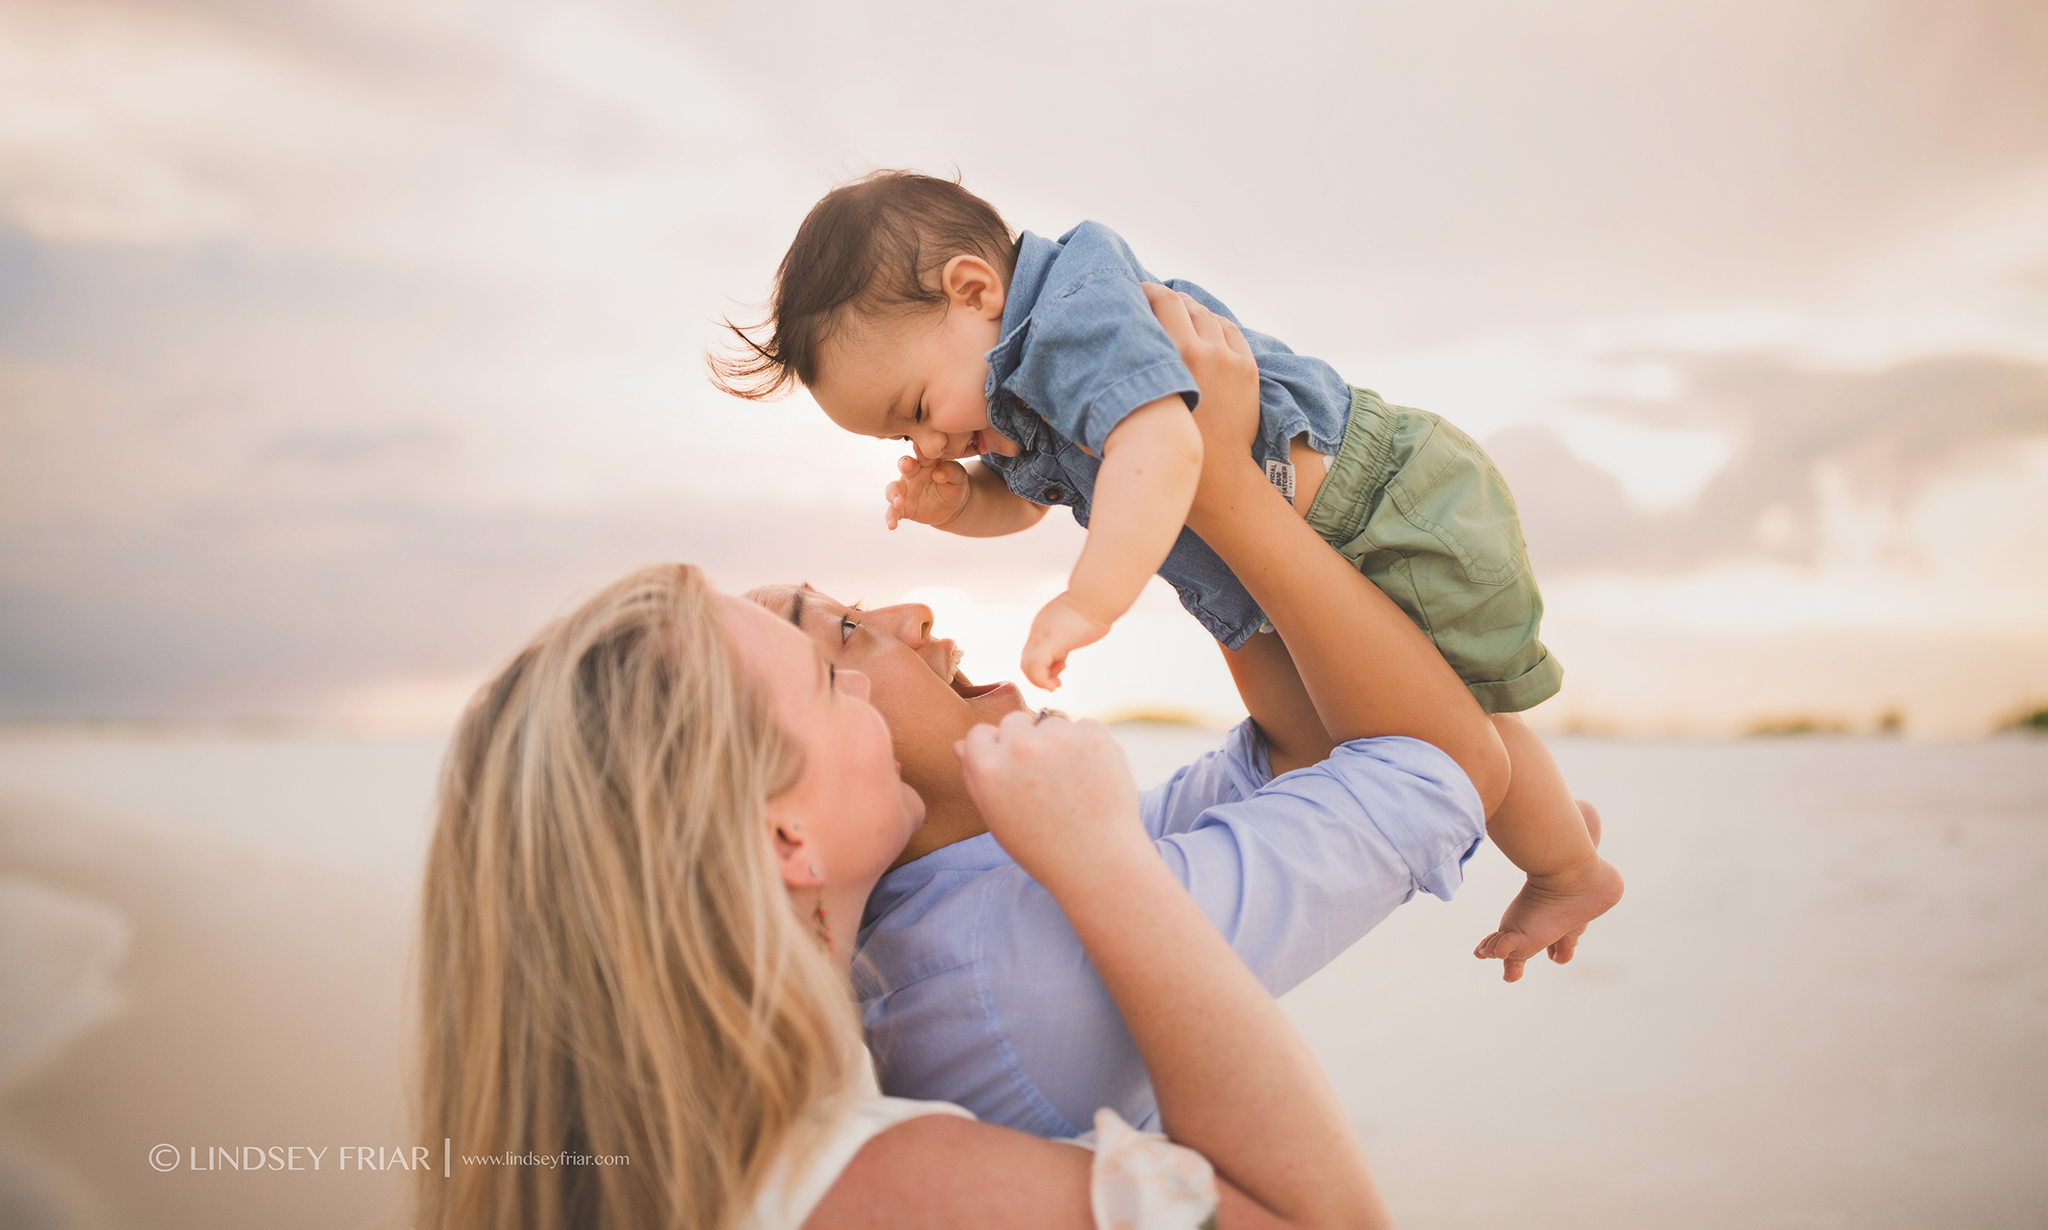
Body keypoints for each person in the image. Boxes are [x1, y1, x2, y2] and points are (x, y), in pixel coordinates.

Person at [712, 170, 1621, 980]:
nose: (928, 441)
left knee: (1447, 727)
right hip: (1269, 567)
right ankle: (1552, 836)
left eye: (914, 409)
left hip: (1367, 510)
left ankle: (1566, 866)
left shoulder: (1075, 315)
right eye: (902, 440)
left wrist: (1089, 597)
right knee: (1384, 733)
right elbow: (1034, 497)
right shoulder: (1016, 380)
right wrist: (962, 505)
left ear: (973, 288)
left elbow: (1163, 440)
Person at [749, 290, 1566, 1137]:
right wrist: (1219, 488)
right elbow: (1441, 766)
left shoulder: (968, 890)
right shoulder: (1014, 974)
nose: (911, 615)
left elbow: (1300, 753)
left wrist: (1171, 497)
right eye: (846, 632)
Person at [412, 573, 1397, 1229]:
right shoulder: (891, 1187)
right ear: (783, 837)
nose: (868, 680)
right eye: (827, 679)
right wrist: (1103, 863)